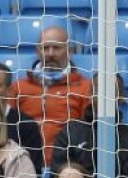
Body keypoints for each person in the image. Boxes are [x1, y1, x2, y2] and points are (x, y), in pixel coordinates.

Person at [5, 26, 93, 165]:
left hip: (67, 165)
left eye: (57, 48)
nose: (50, 53)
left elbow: (85, 132)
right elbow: (8, 126)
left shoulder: (84, 87)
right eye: (45, 48)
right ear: (38, 51)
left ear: (69, 51)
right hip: (24, 162)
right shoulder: (18, 87)